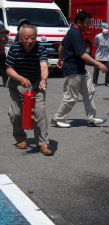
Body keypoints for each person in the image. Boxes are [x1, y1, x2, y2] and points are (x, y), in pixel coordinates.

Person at [51, 11, 108, 128]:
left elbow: (62, 46)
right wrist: (99, 65)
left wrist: (61, 58)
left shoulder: (72, 32)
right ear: (79, 22)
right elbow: (82, 54)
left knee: (90, 91)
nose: (89, 25)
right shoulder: (75, 33)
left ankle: (91, 118)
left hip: (80, 69)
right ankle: (57, 119)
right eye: (87, 23)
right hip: (73, 70)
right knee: (71, 97)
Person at [5, 24, 53, 156]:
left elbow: (44, 66)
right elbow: (8, 69)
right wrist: (20, 78)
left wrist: (44, 79)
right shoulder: (14, 48)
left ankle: (42, 143)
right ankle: (21, 139)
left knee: (40, 113)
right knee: (15, 113)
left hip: (36, 84)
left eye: (33, 37)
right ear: (20, 38)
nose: (30, 41)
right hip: (17, 84)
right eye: (26, 38)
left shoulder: (41, 49)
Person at [0, 21, 8, 86]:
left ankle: (5, 82)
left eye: (4, 32)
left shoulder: (6, 38)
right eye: (1, 32)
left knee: (5, 68)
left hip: (2, 54)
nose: (3, 33)